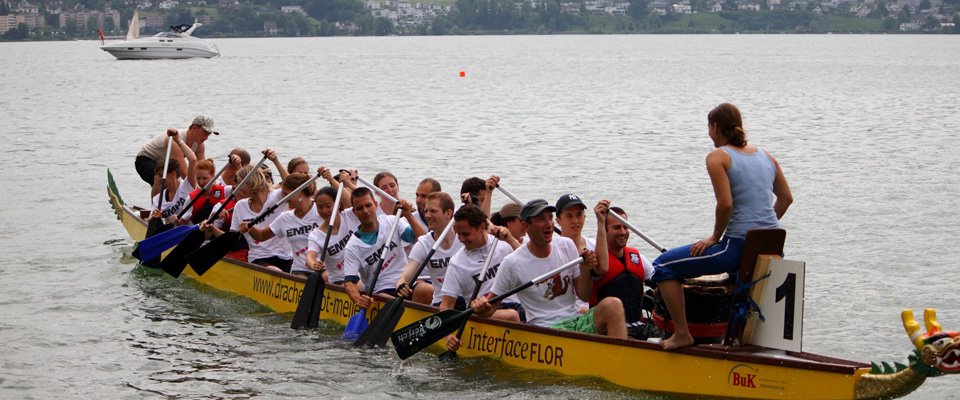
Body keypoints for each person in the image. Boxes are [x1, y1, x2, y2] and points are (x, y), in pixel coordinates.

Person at [652, 103, 793, 350]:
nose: (708, 133)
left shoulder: (717, 157)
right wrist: (764, 227)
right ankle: (743, 340)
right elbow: (786, 198)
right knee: (739, 278)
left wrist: (714, 237)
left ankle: (682, 334)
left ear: (716, 127)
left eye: (709, 127)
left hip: (736, 246)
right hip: (772, 247)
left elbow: (725, 204)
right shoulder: (766, 156)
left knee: (663, 266)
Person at [471, 200, 627, 339]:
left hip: (575, 322)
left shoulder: (566, 245)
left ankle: (622, 361)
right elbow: (491, 309)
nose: (549, 224)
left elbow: (584, 296)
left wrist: (585, 269)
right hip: (546, 331)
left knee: (613, 305)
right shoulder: (511, 263)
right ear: (526, 227)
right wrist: (480, 307)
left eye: (550, 218)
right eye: (541, 219)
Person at [442, 204, 523, 352]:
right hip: (485, 313)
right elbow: (446, 306)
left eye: (465, 234)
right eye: (458, 234)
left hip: (519, 305)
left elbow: (529, 263)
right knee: (512, 316)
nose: (461, 239)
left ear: (481, 227)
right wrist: (448, 336)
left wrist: (511, 240)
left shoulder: (502, 243)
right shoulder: (457, 263)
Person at [342, 187, 427, 308]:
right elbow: (349, 283)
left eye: (368, 205)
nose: (365, 211)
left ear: (375, 205)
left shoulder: (392, 222)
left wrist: (408, 215)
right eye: (360, 208)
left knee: (427, 290)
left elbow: (422, 240)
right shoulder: (353, 246)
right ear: (354, 212)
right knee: (392, 302)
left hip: (406, 281)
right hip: (381, 290)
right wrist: (358, 300)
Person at [584, 201, 657, 339]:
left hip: (639, 326)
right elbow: (600, 269)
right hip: (608, 330)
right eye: (617, 227)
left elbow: (659, 282)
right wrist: (600, 221)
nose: (623, 232)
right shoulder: (596, 261)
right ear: (605, 231)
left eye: (625, 227)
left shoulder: (638, 257)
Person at [239, 173, 322, 276]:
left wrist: (331, 179)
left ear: (299, 193)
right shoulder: (285, 218)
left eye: (287, 194)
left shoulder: (321, 210)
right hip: (299, 270)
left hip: (323, 268)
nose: (284, 199)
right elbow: (262, 236)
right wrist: (250, 228)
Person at [396, 192, 463, 305]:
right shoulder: (423, 243)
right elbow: (406, 275)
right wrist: (401, 284)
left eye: (433, 211)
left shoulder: (463, 238)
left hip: (466, 299)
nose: (427, 215)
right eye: (426, 211)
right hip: (441, 302)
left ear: (448, 213)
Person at [229, 162, 292, 272]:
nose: (238, 189)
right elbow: (232, 238)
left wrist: (275, 160)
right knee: (275, 271)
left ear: (250, 182)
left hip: (286, 256)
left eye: (240, 184)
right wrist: (212, 229)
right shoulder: (240, 206)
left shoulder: (278, 196)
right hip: (258, 258)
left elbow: (292, 187)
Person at [135, 115, 217, 196]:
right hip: (145, 159)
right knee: (164, 179)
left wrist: (210, 185)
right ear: (195, 128)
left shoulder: (200, 145)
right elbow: (184, 174)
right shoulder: (175, 139)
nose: (206, 137)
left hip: (164, 163)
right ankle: (156, 207)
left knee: (176, 182)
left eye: (208, 134)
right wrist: (197, 190)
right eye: (205, 133)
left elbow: (202, 169)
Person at [306, 171, 359, 284]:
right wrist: (313, 264)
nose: (324, 211)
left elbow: (354, 200)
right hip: (340, 280)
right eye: (320, 207)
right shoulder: (316, 235)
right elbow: (310, 257)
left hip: (362, 273)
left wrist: (331, 179)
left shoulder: (350, 215)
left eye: (328, 206)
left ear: (338, 204)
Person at [147, 129, 198, 225]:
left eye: (162, 175)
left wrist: (178, 139)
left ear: (173, 174)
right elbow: (150, 219)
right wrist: (153, 217)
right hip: (173, 232)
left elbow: (193, 160)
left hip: (191, 229)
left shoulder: (187, 185)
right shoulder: (158, 199)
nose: (160, 179)